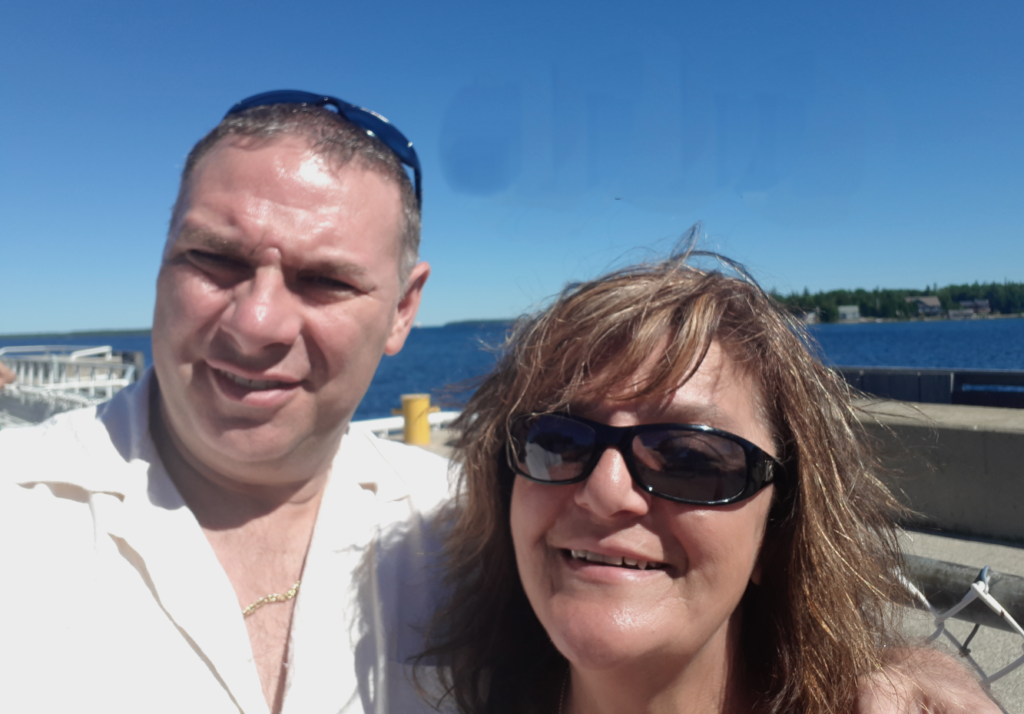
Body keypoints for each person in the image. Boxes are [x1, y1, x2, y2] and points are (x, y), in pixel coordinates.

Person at [0, 92, 449, 713]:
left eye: (325, 280)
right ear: (162, 264)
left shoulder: (468, 531)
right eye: (213, 258)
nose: (256, 322)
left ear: (403, 309)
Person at [419, 248, 999, 714]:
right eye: (558, 442)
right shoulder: (417, 686)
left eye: (691, 458)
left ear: (777, 529)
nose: (604, 492)